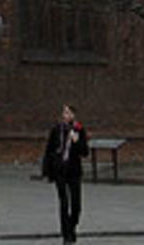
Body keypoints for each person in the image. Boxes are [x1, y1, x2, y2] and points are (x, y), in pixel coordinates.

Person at [42, 103, 90, 244]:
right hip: (60, 170)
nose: (66, 115)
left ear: (74, 115)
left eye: (69, 113)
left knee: (76, 205)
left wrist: (77, 141)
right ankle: (66, 235)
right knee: (64, 202)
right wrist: (48, 171)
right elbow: (49, 150)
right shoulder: (56, 130)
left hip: (74, 171)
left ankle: (71, 227)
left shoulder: (79, 130)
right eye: (65, 113)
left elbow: (85, 152)